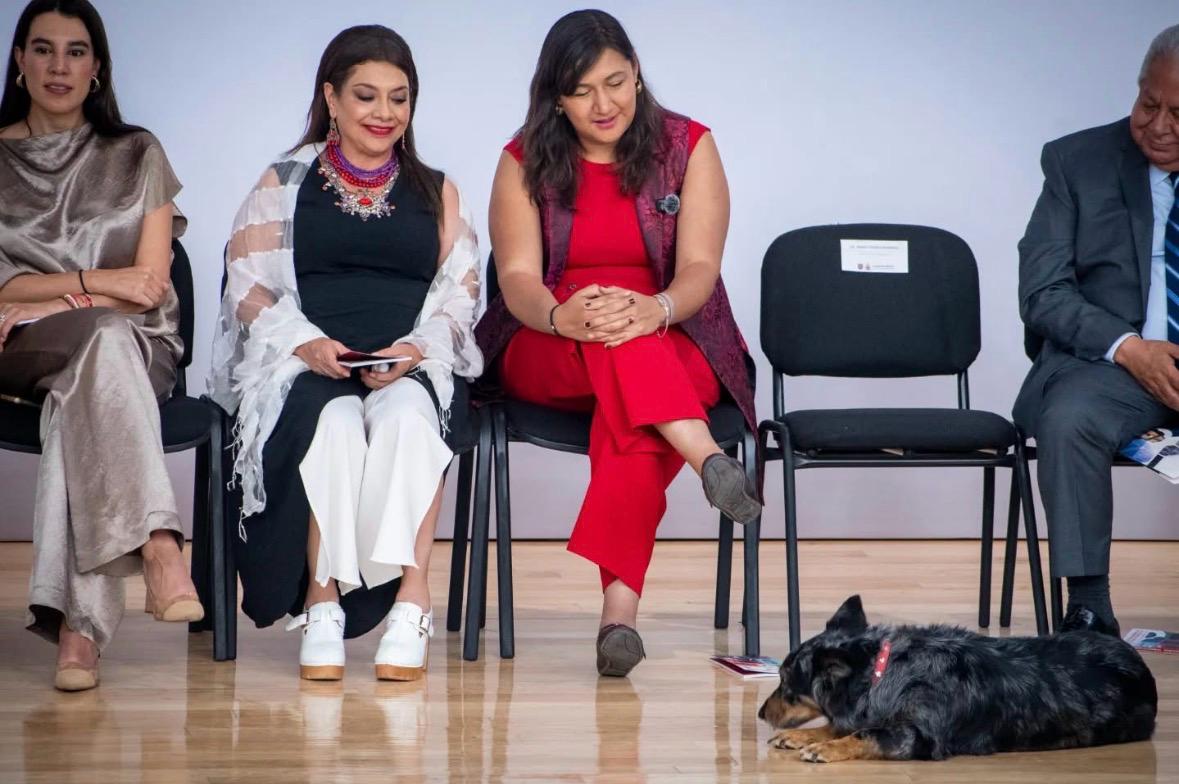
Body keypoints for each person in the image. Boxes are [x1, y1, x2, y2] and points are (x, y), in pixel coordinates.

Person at [474, 9, 758, 677]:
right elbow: (515, 276)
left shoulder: (690, 145)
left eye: (616, 82)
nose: (603, 105)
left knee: (631, 405)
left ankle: (618, 619)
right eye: (581, 91)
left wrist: (652, 308)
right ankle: (705, 455)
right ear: (555, 96)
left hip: (672, 329)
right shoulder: (521, 159)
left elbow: (697, 271)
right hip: (551, 339)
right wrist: (560, 315)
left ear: (637, 74)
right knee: (615, 339)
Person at [209, 25, 482, 682]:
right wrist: (304, 342)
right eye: (365, 96)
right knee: (331, 423)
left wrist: (417, 350)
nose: (383, 113)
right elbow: (246, 278)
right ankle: (322, 602)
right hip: (306, 362)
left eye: (398, 98)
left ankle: (411, 603)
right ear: (330, 97)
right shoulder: (284, 180)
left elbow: (461, 291)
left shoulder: (437, 189)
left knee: (409, 422)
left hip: (406, 362)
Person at [0, 0, 200, 692]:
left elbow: (147, 289)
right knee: (98, 345)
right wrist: (89, 286)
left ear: (98, 67)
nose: (60, 65)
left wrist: (56, 297)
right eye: (44, 48)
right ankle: (160, 545)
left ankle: (78, 633)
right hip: (21, 350)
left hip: (137, 344)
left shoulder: (138, 152)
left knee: (91, 376)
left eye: (76, 51)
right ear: (19, 61)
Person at [1014, 23, 1179, 637]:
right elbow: (1043, 292)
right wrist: (1131, 349)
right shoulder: (1075, 162)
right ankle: (1088, 609)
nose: (1159, 126)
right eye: (1147, 104)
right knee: (1069, 417)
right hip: (1110, 369)